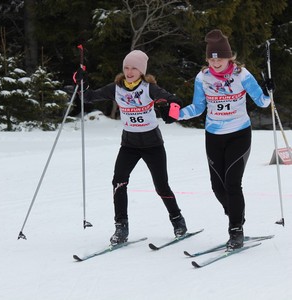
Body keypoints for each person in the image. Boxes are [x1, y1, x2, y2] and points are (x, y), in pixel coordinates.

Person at [74, 50, 187, 245]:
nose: (129, 71)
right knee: (118, 182)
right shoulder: (116, 88)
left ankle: (177, 220)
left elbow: (173, 99)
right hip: (129, 145)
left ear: (141, 71)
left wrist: (172, 110)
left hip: (152, 144)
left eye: (134, 68)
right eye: (126, 67)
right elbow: (88, 97)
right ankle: (121, 227)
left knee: (161, 186)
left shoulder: (148, 88)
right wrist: (81, 83)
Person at [174, 29, 272, 250]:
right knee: (217, 187)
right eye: (211, 58)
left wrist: (268, 91)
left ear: (229, 57)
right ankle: (236, 215)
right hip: (214, 136)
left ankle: (235, 229)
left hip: (239, 134)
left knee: (232, 183)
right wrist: (177, 113)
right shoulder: (203, 77)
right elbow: (198, 107)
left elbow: (263, 102)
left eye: (219, 58)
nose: (215, 63)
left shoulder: (242, 75)